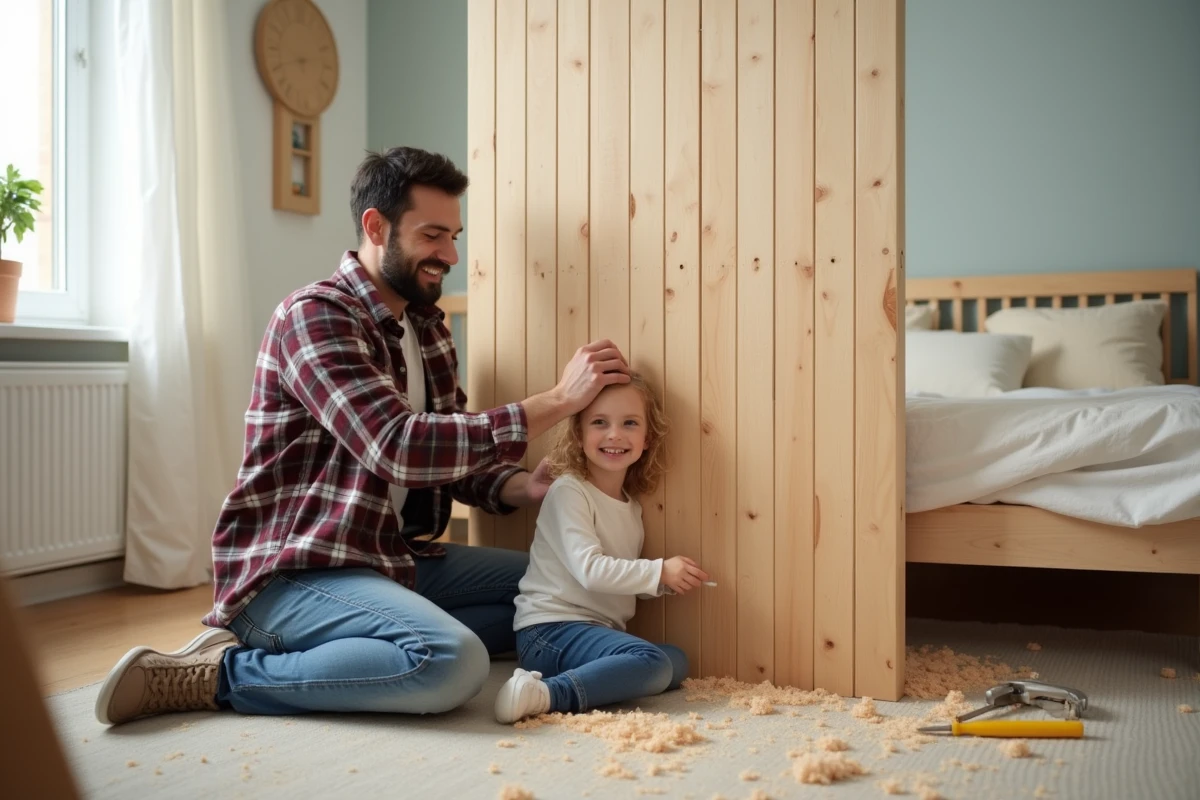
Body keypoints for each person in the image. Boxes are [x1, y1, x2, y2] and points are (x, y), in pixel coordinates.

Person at [94, 146, 632, 726]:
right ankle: (220, 674)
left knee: (553, 594)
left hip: (389, 556)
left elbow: (447, 454)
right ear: (376, 227)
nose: (450, 255)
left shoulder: (427, 331)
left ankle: (353, 646)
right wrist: (558, 401)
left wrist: (518, 487)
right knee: (452, 662)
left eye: (454, 236)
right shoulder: (314, 316)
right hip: (296, 570)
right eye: (432, 235)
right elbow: (397, 446)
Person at [492, 373, 710, 724]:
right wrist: (658, 571)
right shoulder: (570, 491)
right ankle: (547, 694)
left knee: (675, 661)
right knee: (653, 663)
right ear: (579, 435)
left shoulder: (630, 507)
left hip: (592, 631)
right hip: (549, 632)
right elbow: (591, 572)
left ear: (647, 438)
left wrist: (664, 582)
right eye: (599, 423)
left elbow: (616, 578)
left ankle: (583, 681)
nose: (614, 434)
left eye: (629, 423)